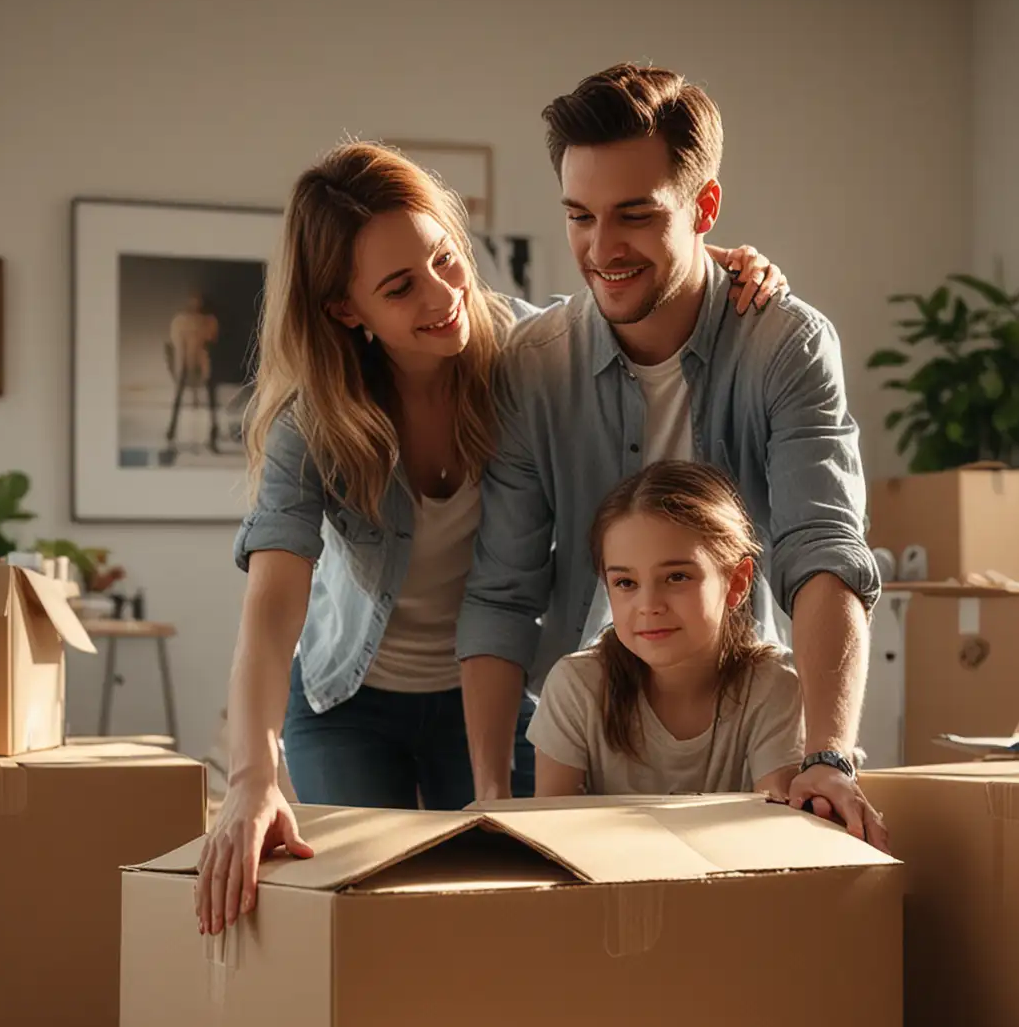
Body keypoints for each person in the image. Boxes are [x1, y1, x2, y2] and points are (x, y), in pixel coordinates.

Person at [194, 141, 787, 935]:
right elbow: (271, 610)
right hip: (346, 701)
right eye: (400, 287)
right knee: (369, 916)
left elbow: (636, 304)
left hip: (495, 695)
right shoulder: (317, 425)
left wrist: (717, 268)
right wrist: (249, 775)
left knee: (498, 906)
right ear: (346, 309)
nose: (444, 296)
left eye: (445, 258)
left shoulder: (528, 356)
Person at [456, 64, 889, 848]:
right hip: (567, 740)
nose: (601, 248)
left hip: (736, 733)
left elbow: (822, 550)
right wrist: (493, 795)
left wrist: (829, 757)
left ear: (705, 208)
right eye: (579, 216)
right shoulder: (533, 363)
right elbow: (502, 588)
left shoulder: (784, 345)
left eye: (635, 215)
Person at [531, 463, 805, 799]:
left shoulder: (774, 686)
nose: (649, 605)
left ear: (737, 581)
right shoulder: (575, 687)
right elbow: (549, 833)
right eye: (625, 583)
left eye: (677, 577)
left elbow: (779, 830)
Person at [166, 291, 221, 450]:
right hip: (186, 361)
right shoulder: (181, 321)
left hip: (202, 361)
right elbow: (176, 340)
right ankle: (172, 429)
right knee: (180, 396)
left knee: (211, 397)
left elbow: (212, 338)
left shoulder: (208, 321)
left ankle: (213, 431)